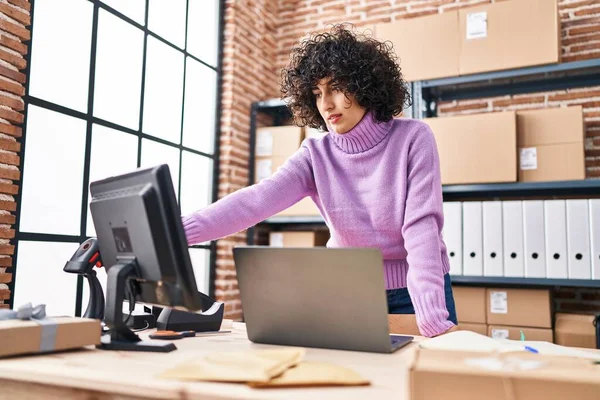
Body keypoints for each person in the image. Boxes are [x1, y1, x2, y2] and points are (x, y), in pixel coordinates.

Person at [182, 24, 459, 337]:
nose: (326, 104)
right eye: (316, 94)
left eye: (335, 88)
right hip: (349, 292)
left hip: (416, 292)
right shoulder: (315, 154)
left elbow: (421, 228)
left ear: (365, 84)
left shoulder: (413, 138)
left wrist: (432, 317)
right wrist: (176, 231)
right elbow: (255, 202)